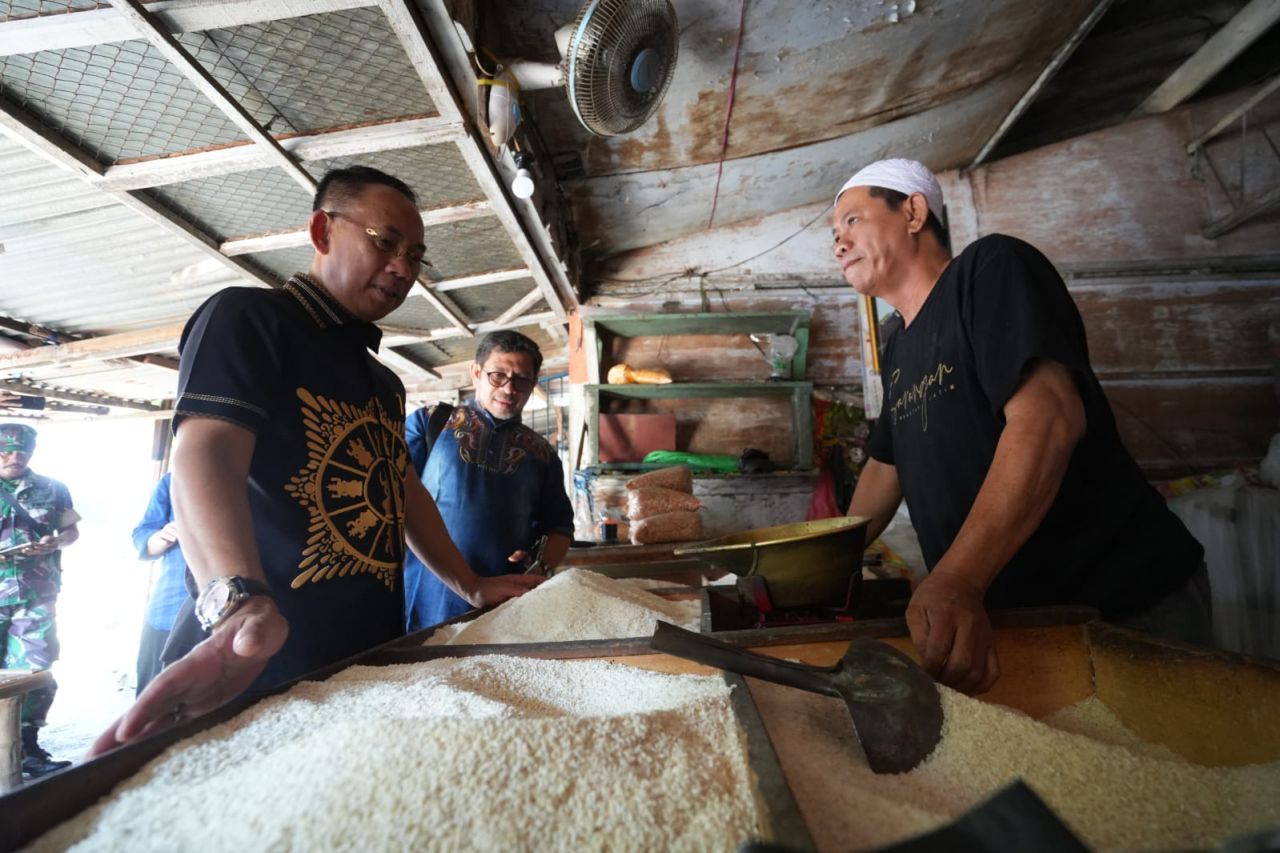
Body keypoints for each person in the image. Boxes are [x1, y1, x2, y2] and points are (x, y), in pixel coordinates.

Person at [91, 166, 541, 756]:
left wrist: (472, 585)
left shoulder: (381, 381)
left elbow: (400, 489)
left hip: (362, 655)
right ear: (322, 231)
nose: (403, 267)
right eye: (385, 243)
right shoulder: (250, 319)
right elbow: (207, 452)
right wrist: (239, 602)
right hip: (256, 656)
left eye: (414, 254)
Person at [834, 159, 1208, 695]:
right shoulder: (899, 345)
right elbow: (883, 468)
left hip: (1122, 603)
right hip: (1023, 618)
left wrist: (958, 577)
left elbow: (1049, 418)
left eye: (852, 220)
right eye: (834, 233)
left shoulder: (989, 270)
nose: (839, 243)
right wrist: (824, 560)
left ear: (913, 211)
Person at [403, 330, 575, 630]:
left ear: (533, 384)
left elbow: (560, 528)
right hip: (424, 592)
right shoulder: (430, 423)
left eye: (521, 380)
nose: (509, 389)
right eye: (498, 376)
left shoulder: (543, 455)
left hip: (504, 603)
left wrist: (540, 564)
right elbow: (393, 498)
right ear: (476, 373)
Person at [0, 422, 80, 777]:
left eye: (22, 451)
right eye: (5, 450)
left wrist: (57, 541)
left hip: (36, 595)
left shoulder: (53, 488)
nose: (14, 457)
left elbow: (71, 530)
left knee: (36, 670)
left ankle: (26, 747)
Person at [130, 471, 188, 694]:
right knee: (155, 694)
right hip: (171, 605)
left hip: (237, 607)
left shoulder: (259, 478)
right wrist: (160, 538)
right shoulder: (174, 480)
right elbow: (143, 533)